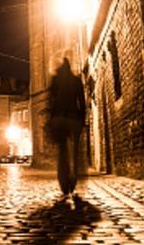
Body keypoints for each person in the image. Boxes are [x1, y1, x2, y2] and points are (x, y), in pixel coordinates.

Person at [47, 57, 86, 195]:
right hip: (74, 117)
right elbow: (81, 101)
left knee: (62, 150)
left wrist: (51, 118)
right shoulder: (76, 81)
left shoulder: (56, 80)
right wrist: (82, 119)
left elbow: (51, 101)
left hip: (59, 117)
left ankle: (63, 180)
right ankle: (73, 178)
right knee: (75, 151)